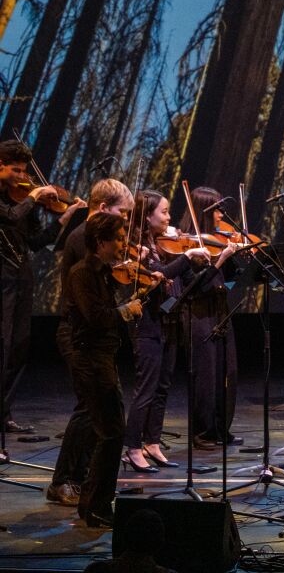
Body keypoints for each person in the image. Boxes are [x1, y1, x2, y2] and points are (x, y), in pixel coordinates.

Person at [47, 178, 133, 506]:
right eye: (121, 214)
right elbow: (98, 284)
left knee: (101, 410)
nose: (125, 225)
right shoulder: (83, 238)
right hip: (78, 335)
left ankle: (86, 479)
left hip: (95, 338)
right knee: (88, 407)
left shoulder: (94, 237)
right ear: (101, 210)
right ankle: (62, 481)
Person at [123, 190, 213, 471]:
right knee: (146, 389)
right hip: (147, 324)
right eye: (163, 212)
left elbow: (182, 277)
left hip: (169, 321)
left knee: (162, 388)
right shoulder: (137, 248)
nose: (170, 217)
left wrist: (207, 261)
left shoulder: (162, 243)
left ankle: (152, 442)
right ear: (147, 216)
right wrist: (186, 256)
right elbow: (160, 273)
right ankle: (133, 448)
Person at [0, 138, 85, 433]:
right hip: (1, 278)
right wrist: (33, 197)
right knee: (2, 344)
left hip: (21, 277)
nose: (23, 177)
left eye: (24, 171)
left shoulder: (26, 202)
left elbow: (37, 242)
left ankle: (4, 412)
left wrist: (65, 216)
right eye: (15, 171)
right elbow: (9, 216)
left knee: (19, 347)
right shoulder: (14, 202)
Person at [66, 212, 143, 527]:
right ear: (100, 242)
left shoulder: (104, 273)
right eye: (119, 238)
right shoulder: (82, 273)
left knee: (111, 434)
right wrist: (125, 310)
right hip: (92, 360)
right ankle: (98, 506)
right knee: (111, 434)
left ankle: (92, 505)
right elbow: (95, 317)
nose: (123, 245)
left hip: (103, 359)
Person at [180, 187, 241, 447]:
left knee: (228, 372)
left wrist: (236, 259)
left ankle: (219, 427)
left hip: (220, 310)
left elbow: (228, 278)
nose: (220, 215)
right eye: (215, 209)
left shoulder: (216, 241)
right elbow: (196, 287)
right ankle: (202, 432)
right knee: (206, 375)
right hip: (199, 314)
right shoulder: (188, 247)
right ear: (204, 212)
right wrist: (219, 260)